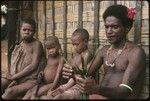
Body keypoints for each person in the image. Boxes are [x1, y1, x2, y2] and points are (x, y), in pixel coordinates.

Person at [62, 5, 146, 99]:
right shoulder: (104, 50)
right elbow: (86, 74)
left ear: (127, 28)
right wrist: (72, 73)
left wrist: (97, 89)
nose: (109, 31)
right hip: (99, 95)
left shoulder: (135, 53)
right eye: (106, 27)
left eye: (114, 27)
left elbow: (125, 91)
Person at [2, 18, 46, 99]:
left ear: (34, 32)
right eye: (24, 30)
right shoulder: (19, 44)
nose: (26, 32)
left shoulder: (36, 44)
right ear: (20, 30)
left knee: (9, 92)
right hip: (17, 76)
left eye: (30, 30)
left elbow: (34, 65)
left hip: (31, 80)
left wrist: (14, 77)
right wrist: (14, 77)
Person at [42, 28, 93, 99]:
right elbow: (70, 68)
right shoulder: (77, 53)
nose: (75, 47)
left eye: (77, 44)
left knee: (59, 97)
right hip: (69, 83)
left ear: (85, 41)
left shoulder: (86, 54)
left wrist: (66, 86)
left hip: (79, 86)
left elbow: (80, 74)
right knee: (51, 94)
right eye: (73, 44)